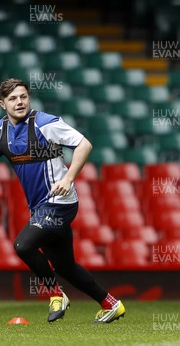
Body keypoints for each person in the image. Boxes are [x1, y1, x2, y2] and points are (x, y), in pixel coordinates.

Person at [0, 78, 125, 323]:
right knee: (65, 266)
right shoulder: (2, 130)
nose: (19, 102)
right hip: (39, 208)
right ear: (2, 104)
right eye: (13, 98)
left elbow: (84, 145)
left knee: (22, 246)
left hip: (61, 202)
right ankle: (111, 304)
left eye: (23, 96)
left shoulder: (46, 123)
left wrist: (69, 178)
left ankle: (55, 294)